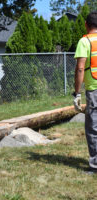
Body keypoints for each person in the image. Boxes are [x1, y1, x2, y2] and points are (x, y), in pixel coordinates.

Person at [73, 11, 97, 173]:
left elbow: (80, 67)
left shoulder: (85, 41)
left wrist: (77, 93)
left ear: (86, 25)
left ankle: (95, 166)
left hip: (94, 89)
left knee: (93, 127)